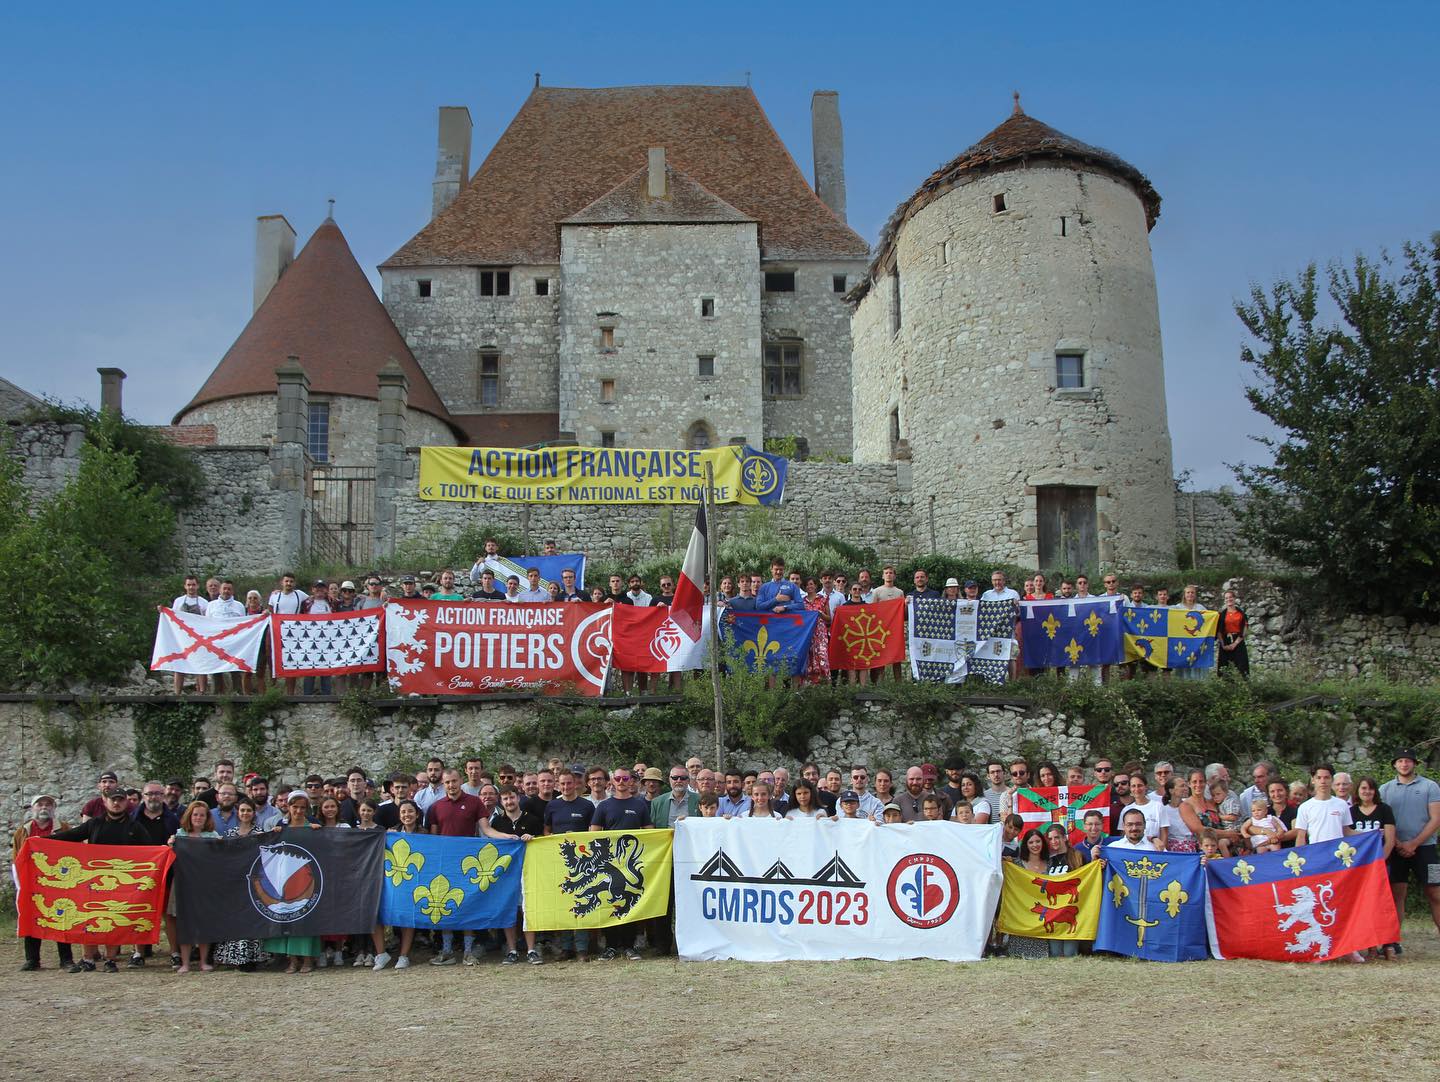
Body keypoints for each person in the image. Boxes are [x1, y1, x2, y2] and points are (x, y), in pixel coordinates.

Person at [52, 786, 151, 972]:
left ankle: (110, 959)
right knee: (89, 918)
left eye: (120, 799)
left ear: (126, 802)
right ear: (105, 802)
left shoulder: (134, 826)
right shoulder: (95, 824)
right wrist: (45, 839)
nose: (116, 803)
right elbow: (72, 836)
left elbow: (150, 850)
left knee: (113, 920)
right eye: (113, 799)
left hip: (120, 882)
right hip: (93, 880)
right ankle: (88, 958)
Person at [1379, 748, 1440, 947]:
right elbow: (1382, 821)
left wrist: (1414, 843)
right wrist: (1398, 843)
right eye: (1400, 761)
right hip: (1396, 849)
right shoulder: (1385, 789)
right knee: (1397, 894)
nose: (1404, 764)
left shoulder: (1430, 786)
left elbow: (1436, 819)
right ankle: (1393, 942)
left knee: (1436, 892)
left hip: (1427, 848)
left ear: (1415, 764)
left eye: (1408, 761)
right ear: (1394, 765)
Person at [427, 768, 487, 966]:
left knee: (467, 904)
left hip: (468, 862)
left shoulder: (475, 802)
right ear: (443, 784)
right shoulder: (436, 807)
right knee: (445, 903)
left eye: (454, 781)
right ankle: (447, 950)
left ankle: (468, 951)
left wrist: (508, 838)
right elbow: (433, 839)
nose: (451, 785)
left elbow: (486, 829)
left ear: (461, 781)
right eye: (447, 782)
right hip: (444, 863)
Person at [589, 768, 650, 960]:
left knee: (630, 901)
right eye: (618, 778)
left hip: (632, 863)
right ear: (612, 781)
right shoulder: (604, 806)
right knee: (610, 901)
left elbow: (650, 832)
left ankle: (629, 946)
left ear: (631, 781)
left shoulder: (640, 805)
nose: (621, 781)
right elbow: (593, 833)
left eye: (625, 778)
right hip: (610, 864)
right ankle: (611, 946)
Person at [481, 786, 544, 965]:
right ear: (501, 802)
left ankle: (531, 949)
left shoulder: (532, 819)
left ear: (518, 798)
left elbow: (543, 842)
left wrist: (533, 838)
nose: (509, 802)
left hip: (528, 871)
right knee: (509, 910)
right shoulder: (497, 822)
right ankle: (512, 950)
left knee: (527, 909)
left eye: (512, 798)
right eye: (505, 799)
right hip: (506, 874)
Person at [13, 794, 75, 971]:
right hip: (32, 881)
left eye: (48, 804)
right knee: (32, 917)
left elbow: (72, 853)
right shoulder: (22, 831)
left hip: (58, 881)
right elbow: (17, 858)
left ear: (53, 808)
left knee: (62, 917)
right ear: (33, 808)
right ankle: (32, 959)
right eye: (40, 804)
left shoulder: (63, 829)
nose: (44, 807)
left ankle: (66, 959)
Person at [265, 792, 322, 973]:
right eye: (295, 807)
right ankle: (293, 960)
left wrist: (317, 832)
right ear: (288, 807)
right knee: (287, 917)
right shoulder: (281, 826)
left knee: (305, 917)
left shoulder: (312, 826)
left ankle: (307, 959)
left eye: (302, 807)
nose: (298, 811)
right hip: (285, 876)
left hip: (306, 877)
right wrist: (273, 835)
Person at [212, 798, 267, 971]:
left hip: (254, 880)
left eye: (248, 810)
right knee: (237, 918)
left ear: (253, 813)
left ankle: (253, 956)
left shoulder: (260, 833)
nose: (245, 813)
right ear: (238, 812)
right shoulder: (230, 834)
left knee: (253, 918)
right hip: (235, 882)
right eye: (242, 810)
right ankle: (237, 957)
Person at [169, 800, 220, 972]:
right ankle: (185, 963)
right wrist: (170, 844)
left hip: (204, 885)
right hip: (183, 883)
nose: (198, 818)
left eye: (202, 815)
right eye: (195, 814)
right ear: (189, 816)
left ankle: (203, 961)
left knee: (204, 923)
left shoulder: (213, 836)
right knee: (184, 923)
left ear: (207, 818)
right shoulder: (180, 835)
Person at [1005, 829, 1052, 959]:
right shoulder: (1016, 864)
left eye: (1038, 841)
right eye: (1031, 842)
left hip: (1043, 915)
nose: (1035, 845)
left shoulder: (1050, 864)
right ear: (1025, 845)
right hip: (1022, 914)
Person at [164, 575, 210, 695]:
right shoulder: (178, 601)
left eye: (193, 585)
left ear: (197, 586)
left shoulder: (204, 603)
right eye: (189, 585)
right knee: (179, 665)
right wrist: (163, 611)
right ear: (185, 586)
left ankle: (202, 692)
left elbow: (208, 621)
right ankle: (177, 693)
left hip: (198, 639)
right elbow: (172, 618)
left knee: (201, 665)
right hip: (182, 639)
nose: (191, 587)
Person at [1043, 823, 1084, 956]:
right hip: (1054, 911)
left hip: (1070, 909)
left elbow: (1087, 878)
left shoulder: (1077, 856)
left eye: (1057, 837)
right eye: (1050, 839)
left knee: (1069, 953)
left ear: (1064, 838)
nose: (1054, 841)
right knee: (1055, 953)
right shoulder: (1048, 860)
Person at [1293, 764, 1353, 845]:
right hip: (1316, 851)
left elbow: (1346, 832)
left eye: (1326, 777)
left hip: (1337, 850)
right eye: (1319, 778)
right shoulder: (1305, 807)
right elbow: (1301, 836)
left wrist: (1370, 834)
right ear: (1313, 780)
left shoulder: (1342, 804)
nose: (1323, 781)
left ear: (1332, 780)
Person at [1217, 589, 1249, 678]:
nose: (1229, 599)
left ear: (1234, 598)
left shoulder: (1241, 614)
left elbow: (1244, 629)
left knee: (1242, 666)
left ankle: (1242, 684)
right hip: (1225, 640)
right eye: (1226, 598)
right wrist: (1223, 645)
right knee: (1224, 667)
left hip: (1238, 640)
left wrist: (1235, 644)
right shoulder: (1222, 615)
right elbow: (1219, 631)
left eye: (1230, 597)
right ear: (1224, 600)